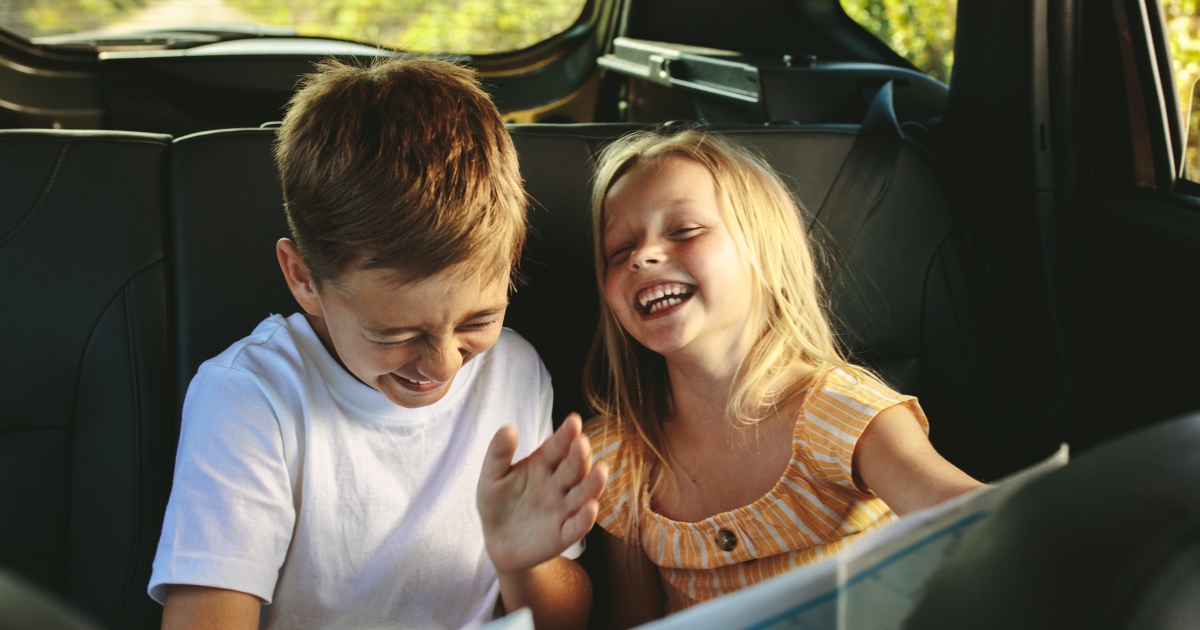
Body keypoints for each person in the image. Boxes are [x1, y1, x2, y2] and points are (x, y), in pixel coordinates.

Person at [148, 57, 606, 630]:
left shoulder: (514, 371)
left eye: (476, 320)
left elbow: (565, 621)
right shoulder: (250, 399)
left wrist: (523, 564)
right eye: (395, 334)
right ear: (303, 280)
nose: (443, 365)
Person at [581, 128, 983, 627]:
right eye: (619, 250)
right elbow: (637, 622)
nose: (642, 256)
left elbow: (975, 523)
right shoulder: (620, 457)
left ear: (764, 254)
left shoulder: (838, 412)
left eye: (683, 230)